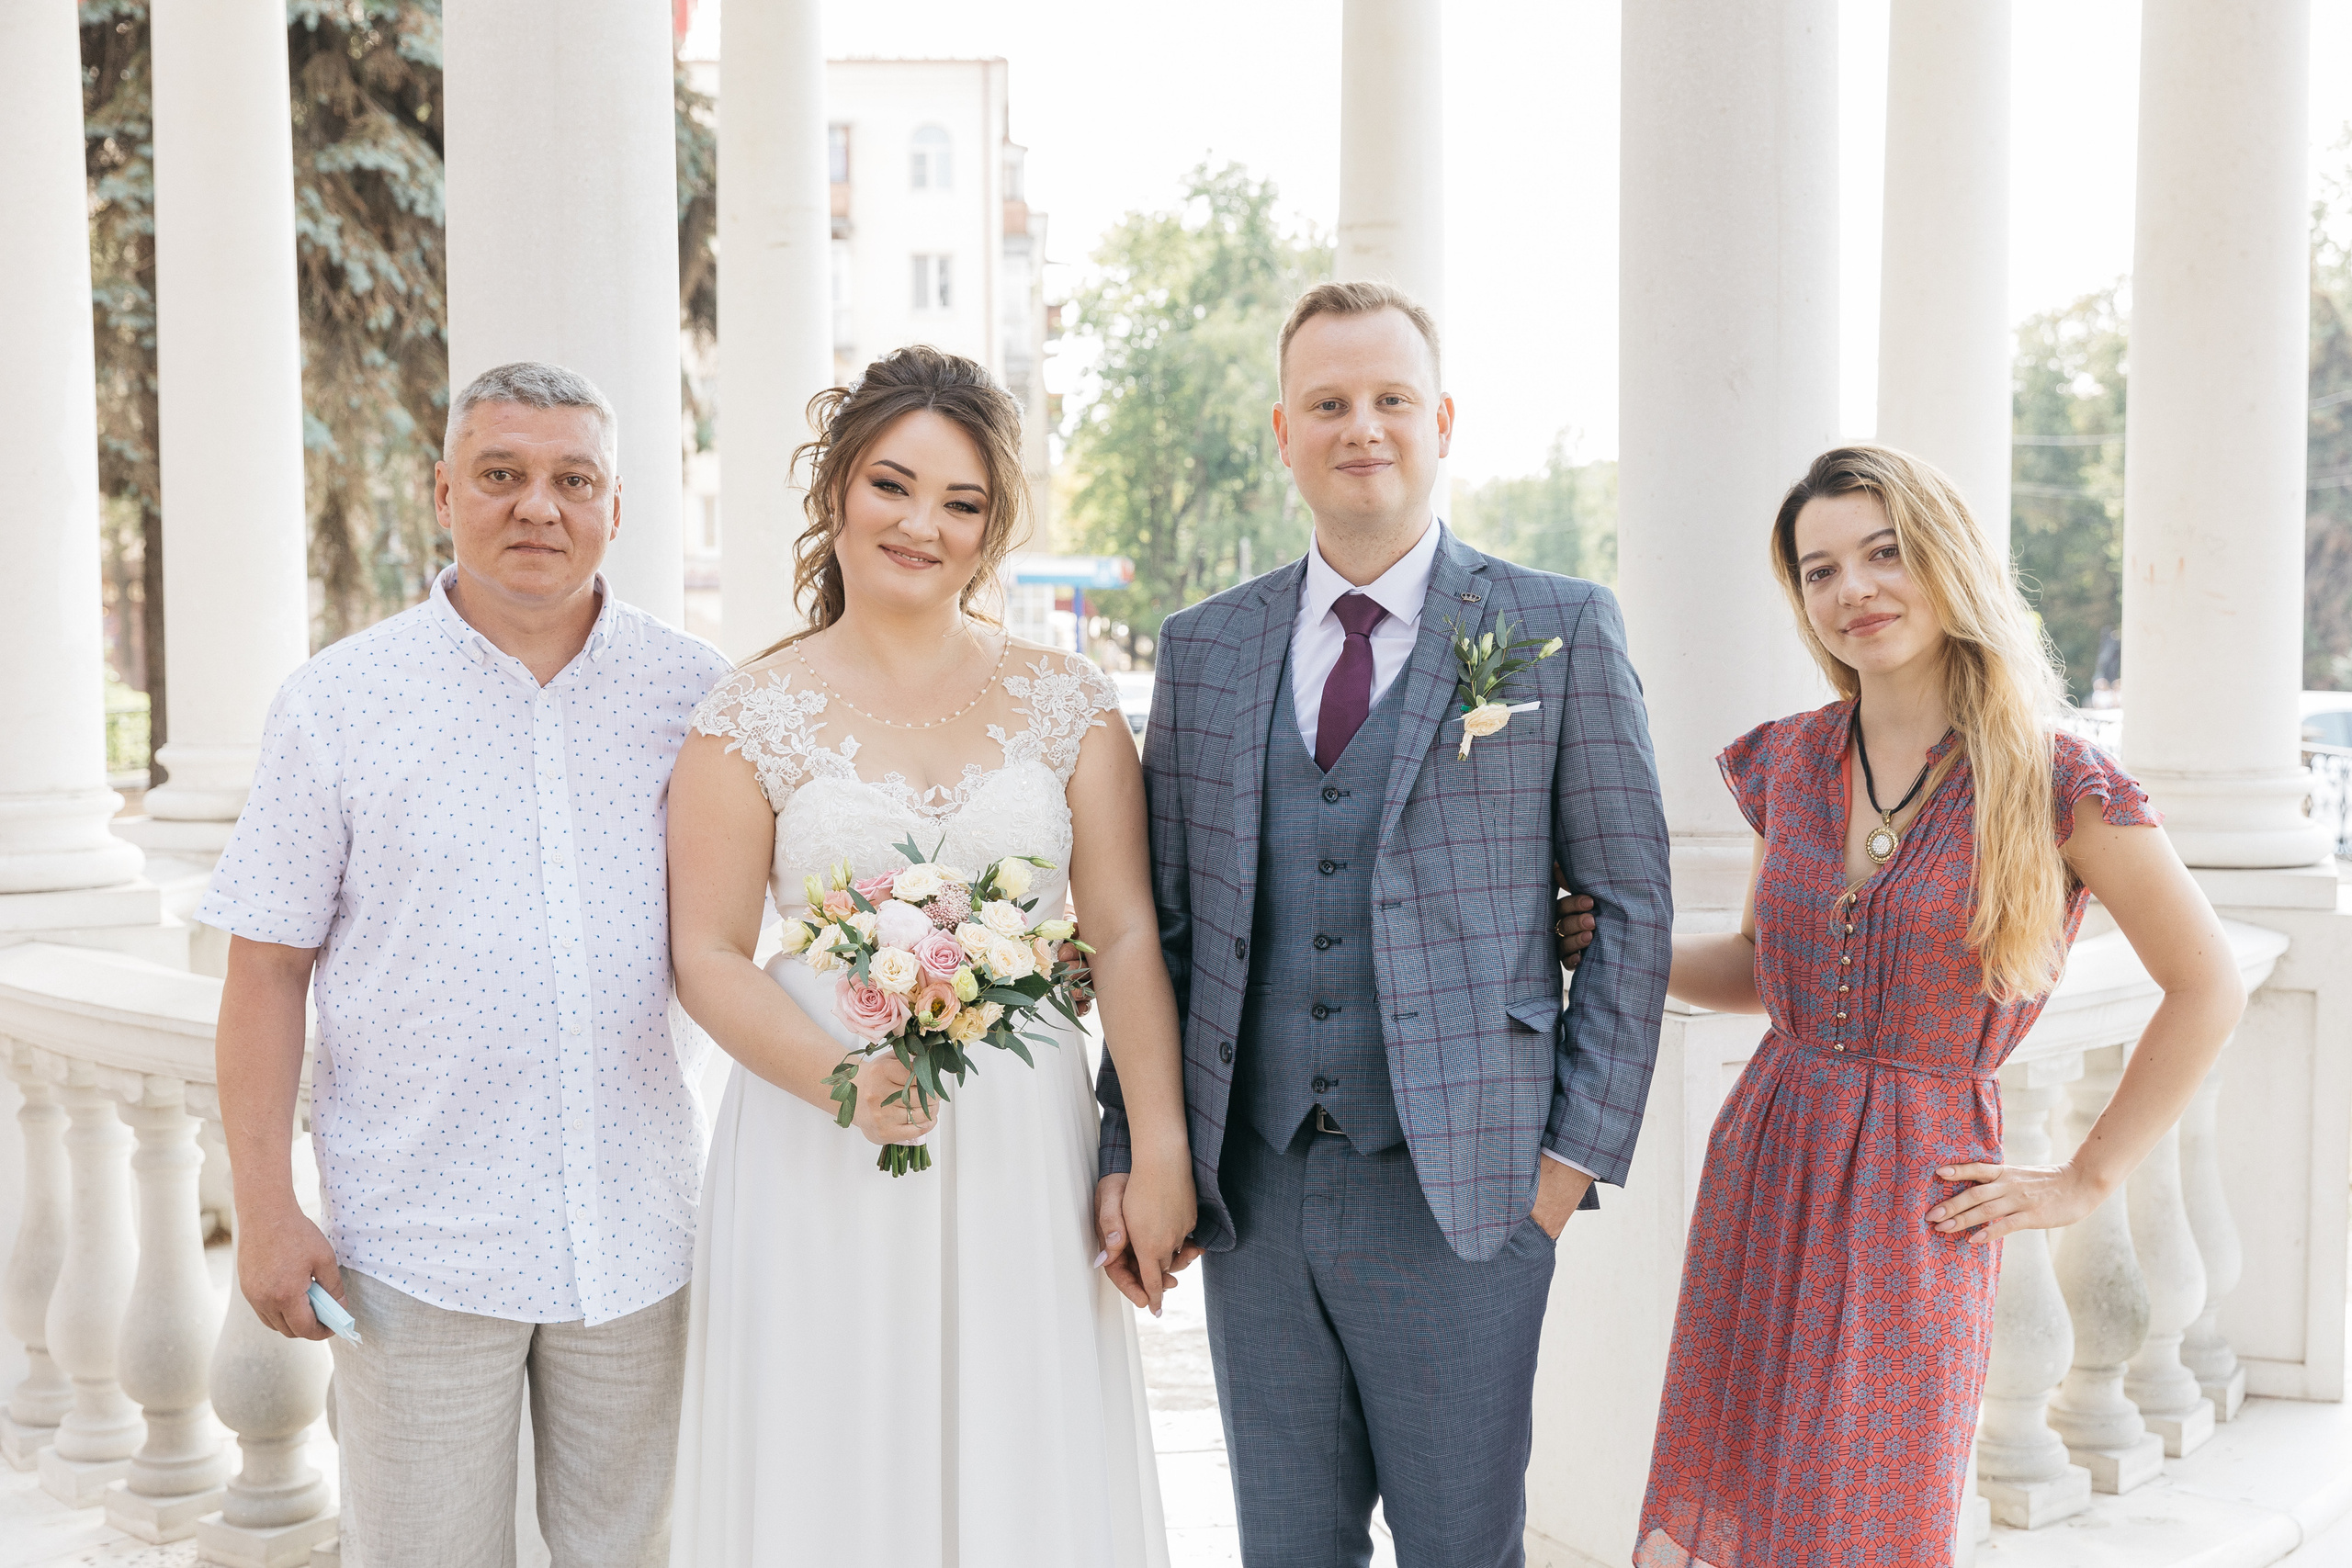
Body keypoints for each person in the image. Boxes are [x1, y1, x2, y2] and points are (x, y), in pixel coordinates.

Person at [1095, 280, 1674, 1568]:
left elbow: (1633, 904)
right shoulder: (1207, 648)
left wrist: (1567, 1164)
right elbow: (1162, 926)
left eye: (1392, 399)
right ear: (1282, 430)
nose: (1364, 426)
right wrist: (1134, 1147)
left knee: (1463, 1544)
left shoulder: (1555, 627)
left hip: (1468, 1184)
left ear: (1444, 420)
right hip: (1254, 1185)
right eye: (1330, 402)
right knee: (1286, 1546)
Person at [1635, 446, 2249, 1566]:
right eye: (1819, 571)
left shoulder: (2057, 779)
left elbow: (2205, 983)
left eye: (1884, 553)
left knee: (1873, 1511)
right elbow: (1760, 971)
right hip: (1768, 1160)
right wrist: (1615, 946)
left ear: (1947, 561)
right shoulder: (1785, 761)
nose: (1853, 590)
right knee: (1748, 1487)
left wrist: (2086, 1177)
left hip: (1922, 1188)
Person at [665, 345, 1189, 1566]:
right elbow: (710, 950)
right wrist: (840, 1076)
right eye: (894, 485)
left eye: (962, 503)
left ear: (992, 528)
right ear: (838, 489)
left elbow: (1121, 932)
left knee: (1022, 1436)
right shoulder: (747, 713)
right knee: (833, 1441)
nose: (923, 524)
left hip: (1024, 1142)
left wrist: (1155, 1146)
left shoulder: (1070, 703)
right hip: (819, 1133)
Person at [205, 362, 735, 1566]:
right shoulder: (337, 703)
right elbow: (267, 967)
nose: (536, 506)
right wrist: (266, 1201)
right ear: (444, 491)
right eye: (502, 474)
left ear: (618, 507)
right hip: (415, 1252)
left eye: (572, 479)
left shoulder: (697, 697)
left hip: (640, 1237)